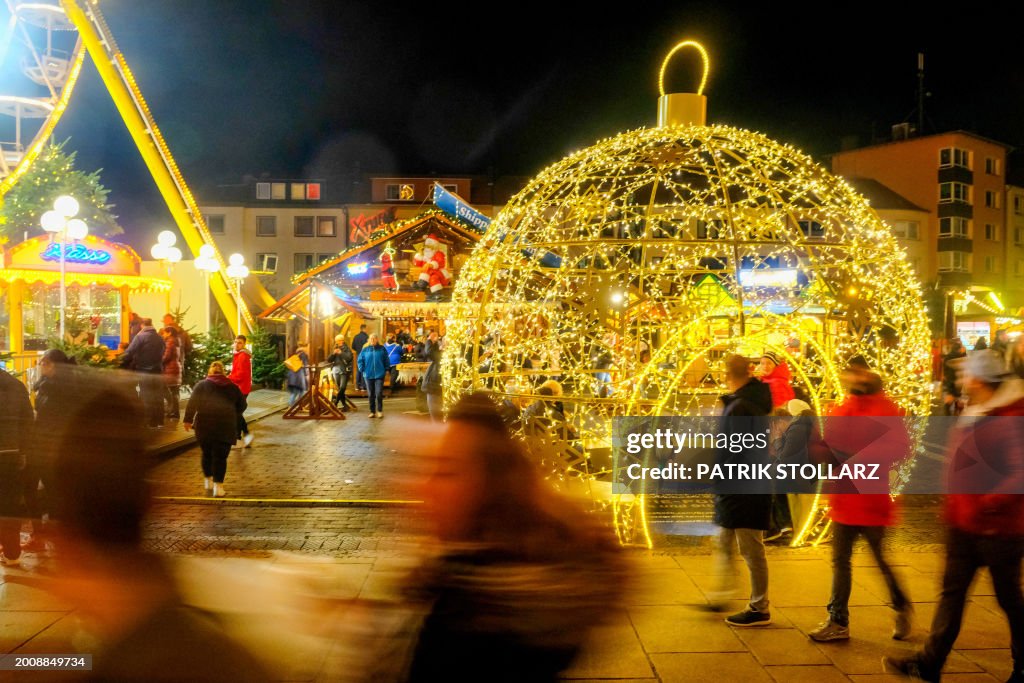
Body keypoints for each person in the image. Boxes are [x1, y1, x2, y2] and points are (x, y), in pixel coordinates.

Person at [48, 372, 269, 681]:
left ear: (63, 541)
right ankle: (216, 482)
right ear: (152, 502)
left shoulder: (117, 665)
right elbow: (241, 403)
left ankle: (211, 480)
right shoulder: (224, 648)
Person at [406, 392, 625, 682]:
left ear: (490, 484)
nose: (425, 487)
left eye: (446, 471)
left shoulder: (489, 606)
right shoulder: (470, 572)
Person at [884, 350, 1024, 683]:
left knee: (1010, 601)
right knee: (952, 595)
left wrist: (988, 503)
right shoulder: (976, 410)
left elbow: (1020, 474)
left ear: (980, 380)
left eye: (966, 375)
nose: (961, 380)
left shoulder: (1008, 419)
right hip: (964, 525)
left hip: (998, 531)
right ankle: (929, 663)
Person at [808, 359, 912, 642]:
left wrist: (856, 458)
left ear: (865, 375)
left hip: (869, 499)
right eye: (847, 373)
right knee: (840, 560)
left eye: (853, 373)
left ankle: (901, 606)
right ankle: (838, 619)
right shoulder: (843, 408)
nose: (848, 378)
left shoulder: (884, 409)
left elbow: (899, 447)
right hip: (844, 497)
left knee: (878, 559)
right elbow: (827, 445)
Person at [710, 354, 774, 626]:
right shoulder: (746, 402)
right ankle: (721, 594)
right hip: (743, 484)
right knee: (724, 539)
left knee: (750, 547)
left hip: (744, 486)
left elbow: (735, 450)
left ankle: (760, 607)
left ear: (729, 375)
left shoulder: (741, 406)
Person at [184, 362, 247, 498]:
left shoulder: (201, 385)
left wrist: (188, 420)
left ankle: (208, 481)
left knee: (206, 453)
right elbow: (242, 405)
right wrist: (233, 414)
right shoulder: (232, 387)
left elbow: (192, 403)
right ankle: (218, 488)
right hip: (225, 426)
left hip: (204, 425)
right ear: (223, 372)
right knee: (220, 457)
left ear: (210, 371)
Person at [0, 369, 33, 567]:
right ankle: (12, 554)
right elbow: (28, 421)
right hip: (10, 453)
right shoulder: (15, 385)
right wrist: (23, 451)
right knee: (9, 503)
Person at [121, 317, 166, 428]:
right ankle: (160, 421)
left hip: (144, 370)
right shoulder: (159, 337)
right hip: (158, 370)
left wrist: (119, 360)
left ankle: (150, 422)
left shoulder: (140, 337)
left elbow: (129, 352)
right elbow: (163, 350)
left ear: (142, 325)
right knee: (158, 396)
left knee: (147, 395)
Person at [227, 334, 254, 447]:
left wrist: (228, 378)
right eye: (236, 342)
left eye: (240, 343)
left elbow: (240, 375)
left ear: (244, 344)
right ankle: (241, 435)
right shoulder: (238, 355)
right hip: (241, 387)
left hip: (241, 388)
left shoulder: (242, 356)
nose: (236, 344)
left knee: (236, 412)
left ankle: (243, 435)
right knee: (237, 412)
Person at [357, 334, 390, 418]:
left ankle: (379, 410)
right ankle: (372, 411)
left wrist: (386, 369)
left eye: (374, 339)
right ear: (369, 340)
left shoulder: (382, 349)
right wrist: (362, 369)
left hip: (380, 374)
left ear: (377, 339)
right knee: (371, 394)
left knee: (378, 393)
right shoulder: (365, 350)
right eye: (371, 339)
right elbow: (360, 360)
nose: (372, 340)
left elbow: (386, 359)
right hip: (368, 375)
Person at [161, 326, 183, 421]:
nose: (163, 335)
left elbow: (166, 356)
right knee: (174, 392)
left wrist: (159, 360)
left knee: (171, 392)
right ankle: (174, 412)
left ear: (169, 332)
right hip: (175, 368)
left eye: (164, 333)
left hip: (170, 368)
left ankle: (173, 412)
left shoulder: (170, 341)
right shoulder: (177, 341)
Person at [327, 336, 354, 411]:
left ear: (342, 341)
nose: (337, 342)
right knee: (340, 389)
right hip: (336, 370)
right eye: (336, 341)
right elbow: (329, 360)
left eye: (338, 341)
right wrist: (333, 354)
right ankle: (345, 405)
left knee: (342, 388)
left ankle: (335, 403)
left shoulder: (347, 348)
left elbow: (349, 358)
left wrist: (341, 353)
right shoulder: (334, 348)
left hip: (344, 370)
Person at [942, 338, 968, 415]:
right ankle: (954, 410)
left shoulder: (948, 356)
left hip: (950, 378)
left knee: (951, 393)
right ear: (959, 348)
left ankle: (949, 411)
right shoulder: (961, 356)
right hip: (958, 378)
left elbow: (945, 368)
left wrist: (944, 375)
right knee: (955, 394)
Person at [421, 335, 443, 422]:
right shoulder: (440, 354)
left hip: (434, 386)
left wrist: (429, 341)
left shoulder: (442, 356)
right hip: (434, 386)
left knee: (436, 417)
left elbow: (429, 352)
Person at [352, 324, 369, 390]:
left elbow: (353, 346)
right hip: (365, 355)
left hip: (358, 355)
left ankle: (357, 386)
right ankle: (363, 386)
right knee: (363, 370)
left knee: (358, 370)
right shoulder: (366, 337)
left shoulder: (356, 336)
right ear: (364, 329)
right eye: (366, 329)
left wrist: (358, 350)